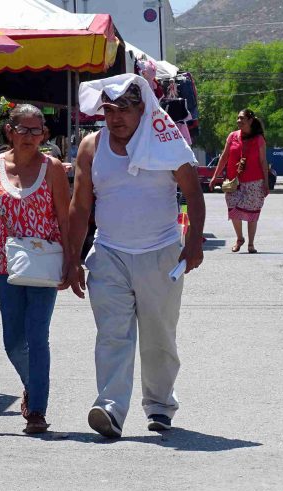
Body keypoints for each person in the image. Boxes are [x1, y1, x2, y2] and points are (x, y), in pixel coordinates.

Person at [68, 76, 204, 438]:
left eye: (124, 110)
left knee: (159, 337)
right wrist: (72, 259)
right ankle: (110, 408)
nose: (116, 119)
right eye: (109, 110)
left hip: (160, 254)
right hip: (109, 253)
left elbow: (193, 190)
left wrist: (193, 243)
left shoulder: (166, 140)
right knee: (112, 335)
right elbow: (80, 206)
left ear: (142, 108)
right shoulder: (91, 147)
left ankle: (159, 406)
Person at [0, 104, 73, 434]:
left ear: (44, 134)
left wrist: (72, 261)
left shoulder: (52, 168)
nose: (29, 137)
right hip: (4, 264)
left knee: (37, 335)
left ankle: (37, 408)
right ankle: (32, 382)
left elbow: (65, 218)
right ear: (9, 131)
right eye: (22, 130)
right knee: (13, 339)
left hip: (44, 262)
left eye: (36, 130)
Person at [209, 109, 269, 253]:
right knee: (232, 208)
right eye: (238, 118)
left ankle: (251, 244)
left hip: (254, 181)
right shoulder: (232, 136)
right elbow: (224, 157)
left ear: (250, 120)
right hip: (233, 181)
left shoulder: (259, 139)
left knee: (252, 213)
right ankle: (239, 238)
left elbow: (263, 161)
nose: (238, 121)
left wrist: (266, 183)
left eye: (242, 118)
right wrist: (214, 177)